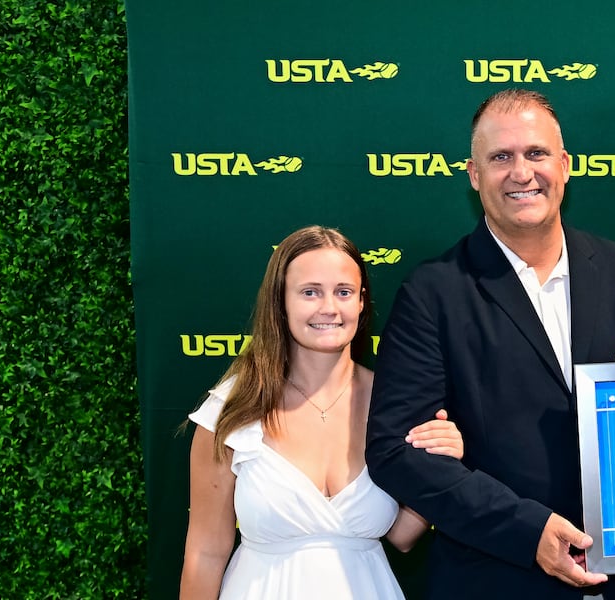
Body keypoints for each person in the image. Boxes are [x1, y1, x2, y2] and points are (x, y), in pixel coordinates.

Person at [365, 89, 615, 599]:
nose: (521, 172)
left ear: (565, 165)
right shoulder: (432, 292)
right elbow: (395, 452)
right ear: (474, 175)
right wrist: (527, 532)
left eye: (536, 153)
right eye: (501, 157)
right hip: (495, 580)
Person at [180, 225, 465, 600]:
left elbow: (402, 536)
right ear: (280, 302)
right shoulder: (232, 409)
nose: (329, 308)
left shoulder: (395, 402)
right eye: (310, 292)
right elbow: (205, 553)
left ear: (361, 302)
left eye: (343, 292)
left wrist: (441, 466)